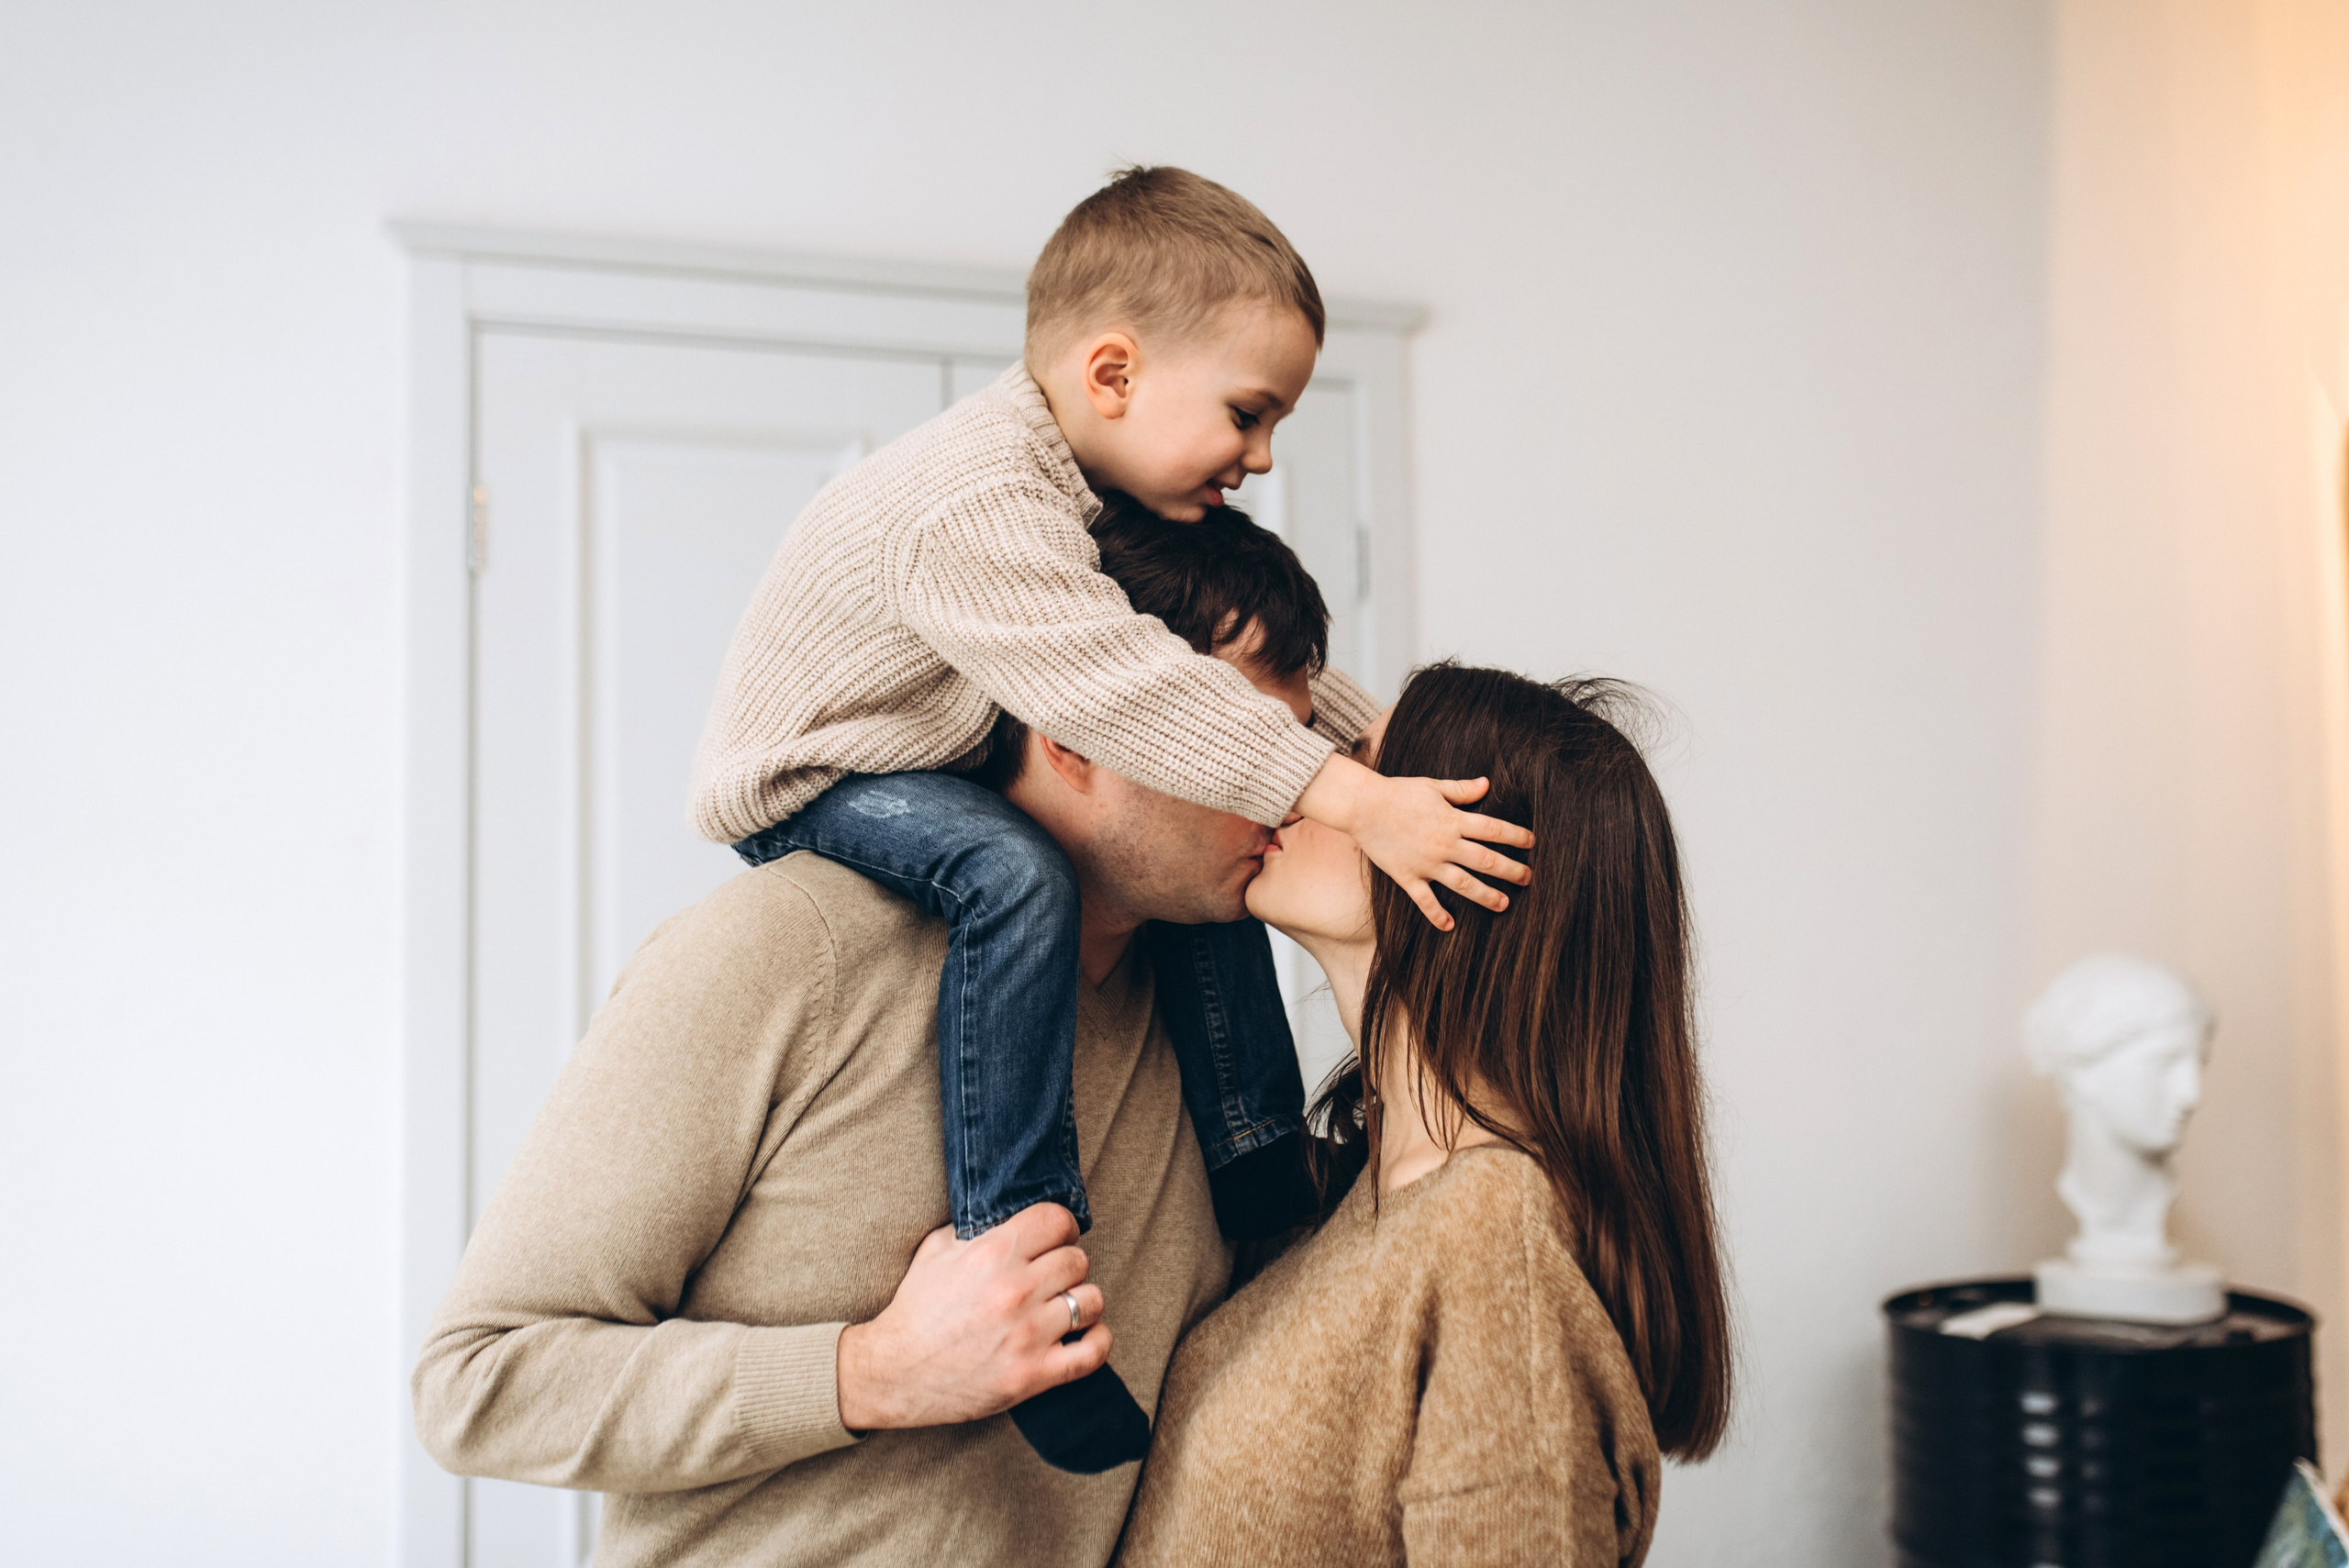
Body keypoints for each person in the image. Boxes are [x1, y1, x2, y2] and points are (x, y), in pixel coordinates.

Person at [695, 165, 1531, 1469]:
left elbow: (1224, 675)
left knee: (1201, 872)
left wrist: (1374, 737)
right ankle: (1019, 1242)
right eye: (1250, 414)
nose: (1261, 458)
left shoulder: (1078, 489)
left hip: (926, 748)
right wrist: (1353, 794)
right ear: (1112, 375)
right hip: (821, 774)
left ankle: (1257, 1171)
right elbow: (1137, 683)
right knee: (1016, 878)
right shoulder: (976, 503)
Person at [413, 506, 1353, 1567]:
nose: (1290, 784)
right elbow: (481, 1381)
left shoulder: (1214, 1012)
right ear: (1075, 734)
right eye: (1244, 744)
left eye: (1298, 741)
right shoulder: (783, 951)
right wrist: (873, 1370)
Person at [1116, 663, 1734, 1567]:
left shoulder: (1494, 1241)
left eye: (1360, 766)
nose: (1303, 779)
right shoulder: (1365, 1195)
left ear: (1474, 868)